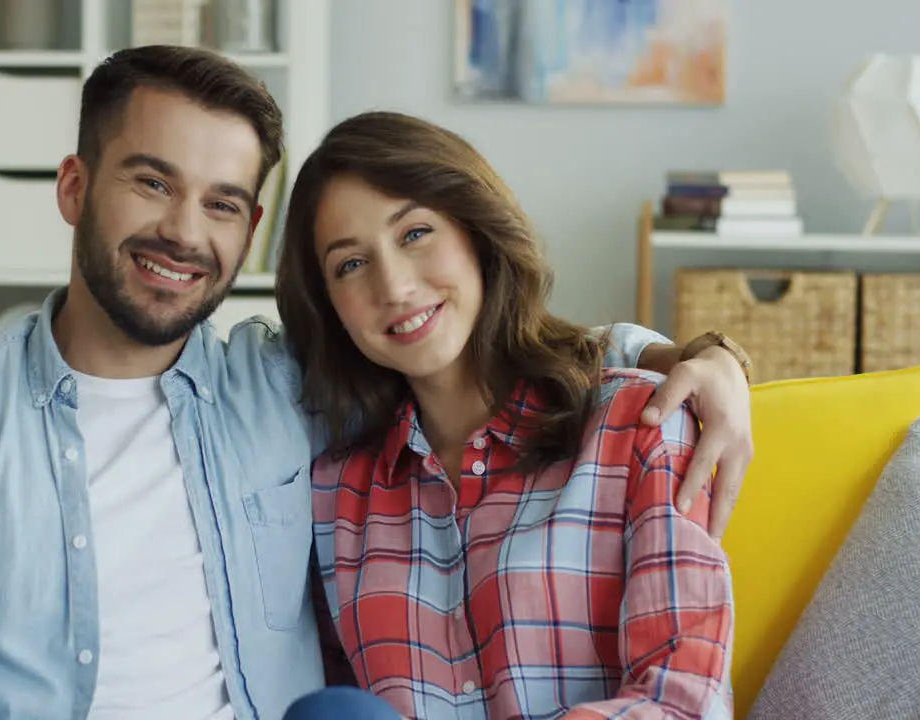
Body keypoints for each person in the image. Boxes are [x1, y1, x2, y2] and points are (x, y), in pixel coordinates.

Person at [0, 46, 750, 720]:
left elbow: (474, 350)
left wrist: (696, 358)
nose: (184, 232)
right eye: (151, 183)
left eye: (222, 204)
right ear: (74, 186)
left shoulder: (277, 388)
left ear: (251, 229)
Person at [272, 111, 736, 720]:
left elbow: (683, 700)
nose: (394, 285)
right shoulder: (334, 491)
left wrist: (718, 354)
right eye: (350, 265)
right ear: (329, 306)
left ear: (476, 231)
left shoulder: (643, 422)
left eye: (414, 233)